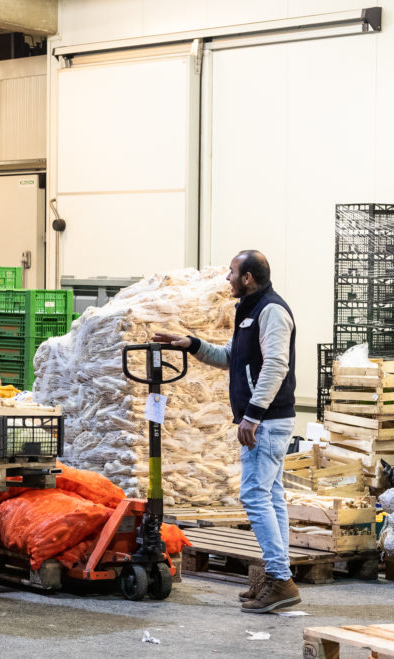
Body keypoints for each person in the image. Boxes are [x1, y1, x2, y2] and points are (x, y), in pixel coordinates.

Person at [153, 250, 300, 613]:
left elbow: (276, 366)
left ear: (248, 277)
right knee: (270, 496)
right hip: (264, 420)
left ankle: (281, 580)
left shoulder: (272, 311)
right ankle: (275, 575)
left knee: (254, 496)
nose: (227, 279)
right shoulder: (248, 311)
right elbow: (229, 357)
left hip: (267, 421)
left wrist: (252, 415)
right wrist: (192, 344)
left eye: (232, 272)